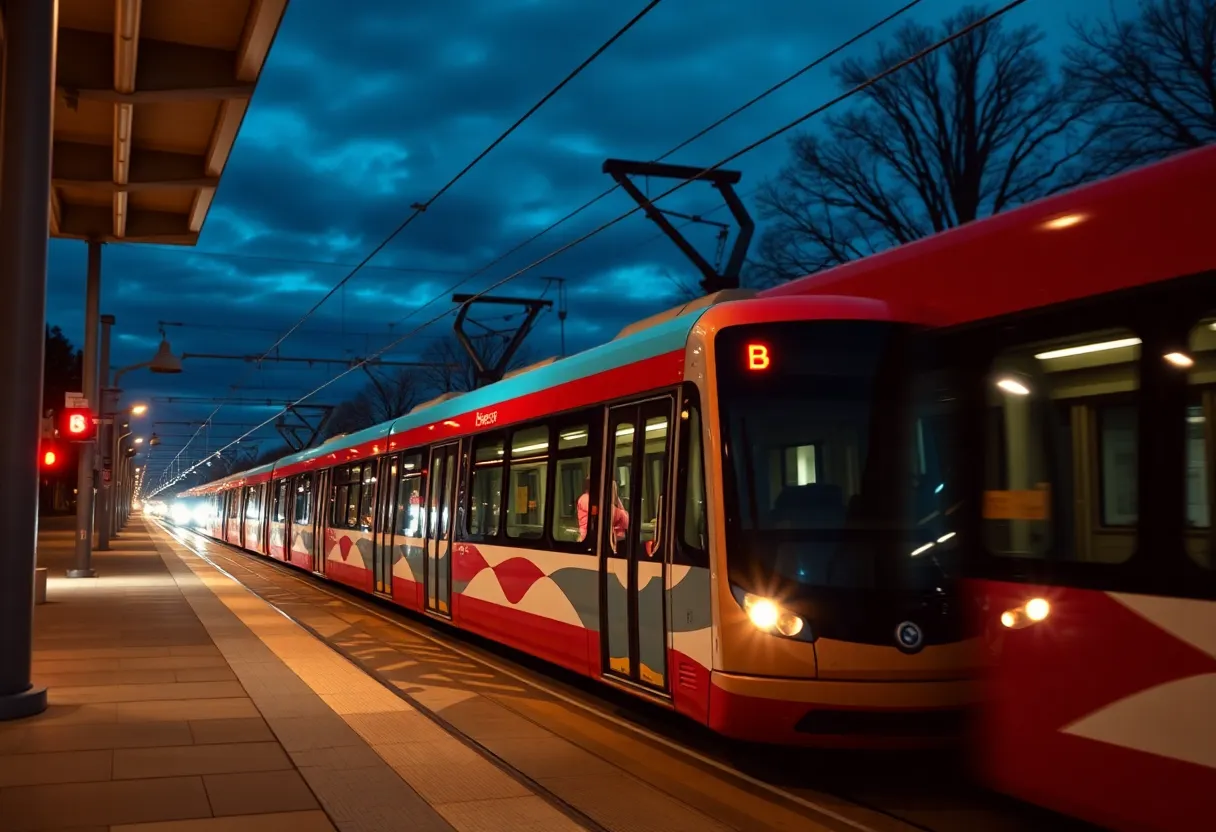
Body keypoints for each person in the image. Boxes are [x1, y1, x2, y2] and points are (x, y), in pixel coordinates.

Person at [577, 477, 629, 544]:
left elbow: (626, 522)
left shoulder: (601, 501)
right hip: (588, 539)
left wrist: (616, 498)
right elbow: (608, 514)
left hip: (609, 539)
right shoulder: (585, 498)